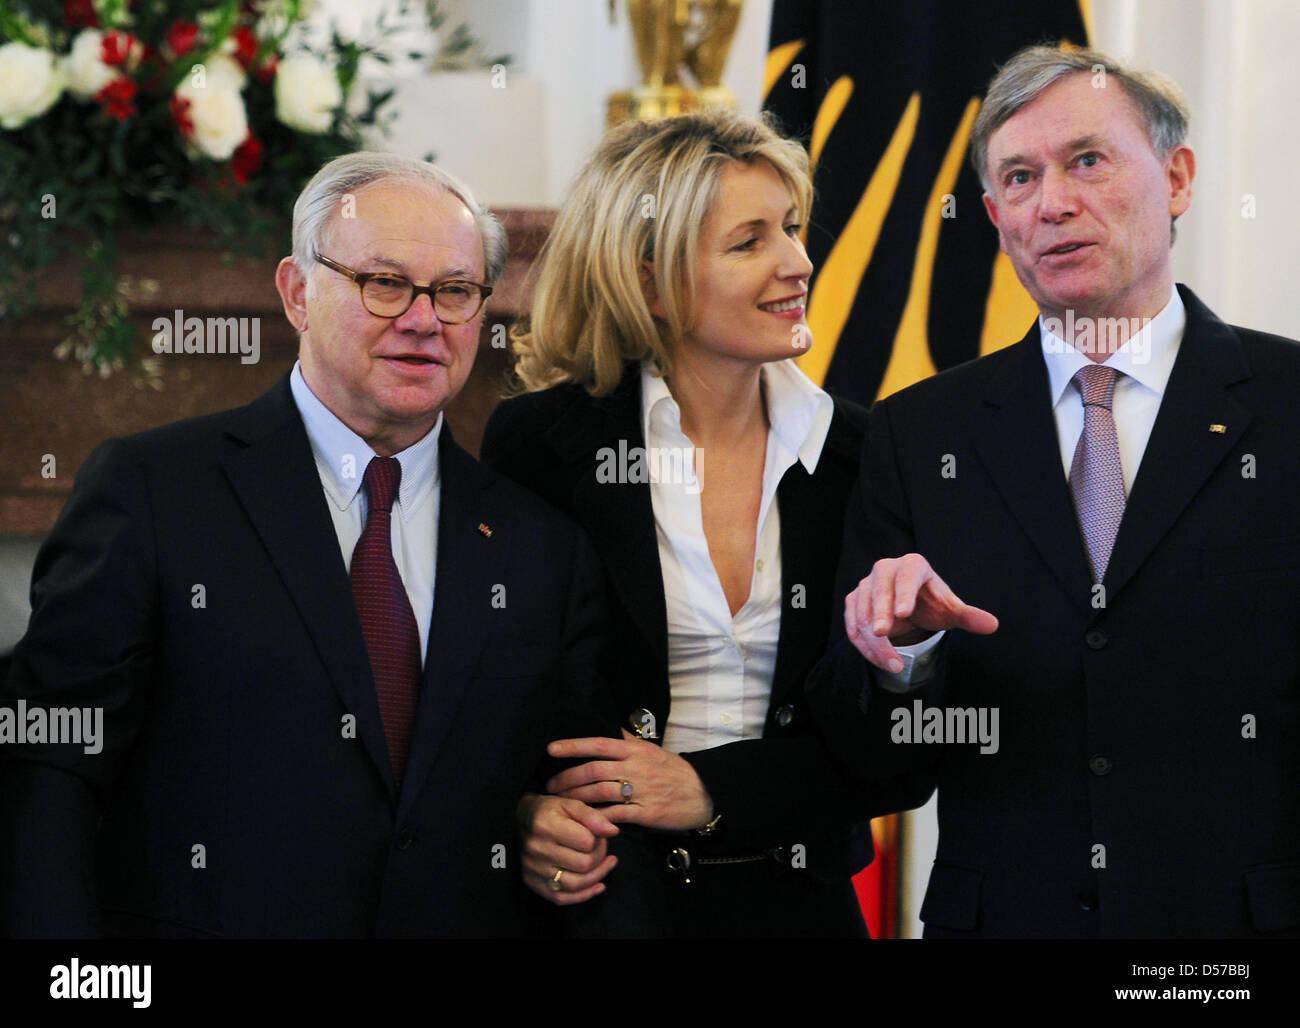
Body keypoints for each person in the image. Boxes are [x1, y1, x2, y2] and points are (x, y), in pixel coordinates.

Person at [0, 152, 647, 938]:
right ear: (297, 292)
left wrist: (536, 818)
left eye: (454, 291)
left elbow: (556, 785)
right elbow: (50, 763)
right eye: (383, 283)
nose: (422, 319)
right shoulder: (153, 491)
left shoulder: (540, 546)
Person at [807, 44, 1300, 937]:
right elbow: (872, 766)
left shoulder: (1289, 405)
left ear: (1177, 177)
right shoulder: (918, 434)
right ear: (996, 217)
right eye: (1021, 178)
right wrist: (902, 660)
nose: (1054, 203)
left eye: (1087, 161)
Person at [481, 110, 928, 937]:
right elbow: (490, 692)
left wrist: (714, 791)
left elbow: (895, 760)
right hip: (607, 907)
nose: (799, 263)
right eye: (749, 241)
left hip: (805, 912)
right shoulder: (541, 442)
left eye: (792, 229)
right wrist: (523, 813)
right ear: (649, 282)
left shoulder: (864, 453)